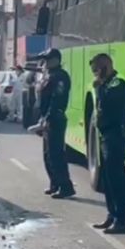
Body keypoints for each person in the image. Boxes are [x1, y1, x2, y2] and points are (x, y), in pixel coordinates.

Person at [89, 53, 125, 234]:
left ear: (105, 67)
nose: (95, 75)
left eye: (96, 70)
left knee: (116, 180)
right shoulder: (106, 85)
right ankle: (111, 215)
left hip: (115, 136)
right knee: (106, 179)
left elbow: (109, 103)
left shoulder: (118, 84)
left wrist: (99, 88)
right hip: (106, 135)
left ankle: (121, 221)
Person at [35, 48, 75, 199]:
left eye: (48, 59)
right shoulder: (48, 75)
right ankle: (55, 183)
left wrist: (47, 118)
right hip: (46, 118)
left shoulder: (60, 77)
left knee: (56, 154)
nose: (45, 62)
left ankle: (66, 186)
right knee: (47, 155)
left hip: (55, 119)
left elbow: (57, 99)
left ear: (56, 60)